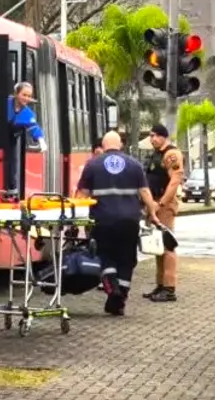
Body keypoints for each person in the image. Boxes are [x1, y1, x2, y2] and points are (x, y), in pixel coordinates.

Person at [76, 131, 160, 316]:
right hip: (130, 220)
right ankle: (121, 297)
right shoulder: (134, 165)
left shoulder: (92, 165)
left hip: (102, 219)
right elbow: (145, 192)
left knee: (104, 254)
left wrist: (76, 219)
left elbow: (81, 194)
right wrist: (152, 213)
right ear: (120, 145)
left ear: (103, 146)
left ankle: (112, 287)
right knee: (127, 258)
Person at [141, 123, 184, 303]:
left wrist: (160, 203)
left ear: (163, 137)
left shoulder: (171, 154)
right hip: (154, 204)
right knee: (158, 247)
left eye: (155, 136)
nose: (152, 139)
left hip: (163, 205)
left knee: (167, 246)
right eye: (151, 136)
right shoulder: (156, 154)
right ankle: (160, 285)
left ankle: (169, 288)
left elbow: (174, 182)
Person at [0, 82, 47, 195]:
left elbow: (34, 127)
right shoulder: (4, 103)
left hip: (11, 140)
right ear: (16, 94)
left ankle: (11, 190)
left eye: (29, 96)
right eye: (24, 95)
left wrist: (41, 141)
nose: (26, 98)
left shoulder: (28, 113)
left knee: (12, 163)